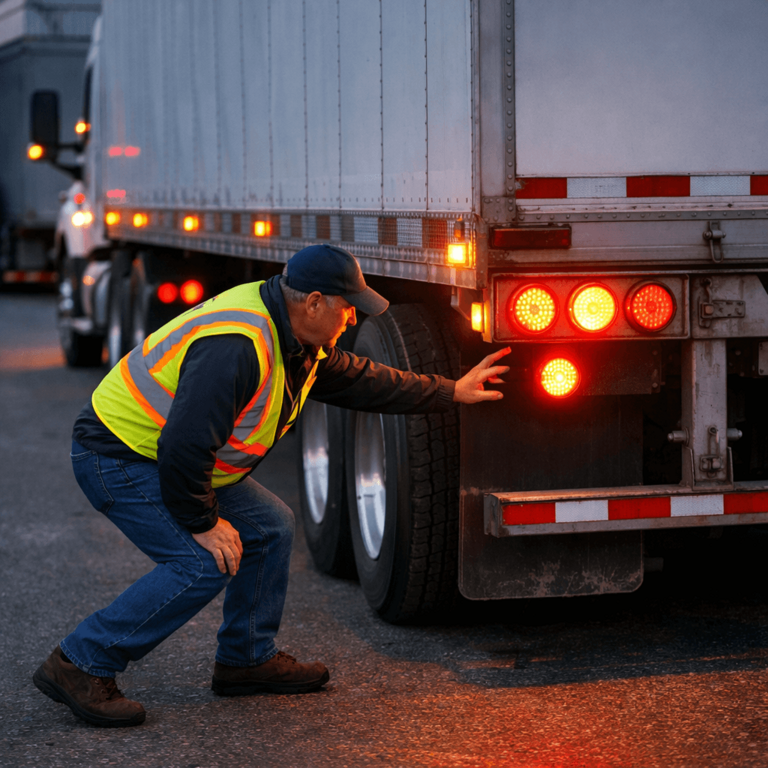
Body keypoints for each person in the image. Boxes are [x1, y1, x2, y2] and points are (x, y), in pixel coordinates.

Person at [32, 244, 510, 727]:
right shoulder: (237, 346)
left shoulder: (296, 336)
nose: (351, 321)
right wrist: (203, 522)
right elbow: (184, 445)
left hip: (163, 457)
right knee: (202, 561)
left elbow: (364, 379)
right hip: (118, 456)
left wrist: (450, 390)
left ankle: (245, 659)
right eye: (347, 309)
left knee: (270, 526)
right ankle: (81, 662)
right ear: (315, 302)